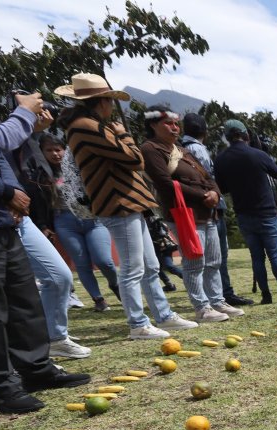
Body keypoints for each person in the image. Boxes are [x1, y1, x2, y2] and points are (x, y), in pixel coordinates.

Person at [59, 73, 199, 339]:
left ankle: (163, 315)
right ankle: (137, 322)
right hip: (117, 202)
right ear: (100, 102)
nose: (112, 107)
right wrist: (123, 134)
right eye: (110, 101)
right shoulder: (85, 126)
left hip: (129, 201)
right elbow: (133, 159)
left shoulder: (91, 125)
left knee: (149, 265)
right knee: (134, 268)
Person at [0, 91, 92, 413]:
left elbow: (0, 160)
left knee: (24, 301)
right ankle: (2, 386)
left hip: (5, 223)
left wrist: (11, 193)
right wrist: (5, 192)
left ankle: (35, 369)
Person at [140, 106, 244, 323]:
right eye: (168, 123)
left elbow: (206, 174)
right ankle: (202, 307)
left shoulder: (181, 149)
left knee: (214, 260)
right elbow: (165, 183)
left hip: (207, 211)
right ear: (153, 124)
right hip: (184, 213)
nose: (174, 127)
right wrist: (203, 194)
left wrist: (214, 192)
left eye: (176, 124)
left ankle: (216, 300)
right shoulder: (151, 149)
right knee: (194, 261)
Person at [24, 133, 119, 315]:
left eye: (58, 149)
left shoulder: (81, 167)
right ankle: (98, 299)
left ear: (65, 150)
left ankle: (115, 284)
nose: (55, 154)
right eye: (49, 150)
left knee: (104, 261)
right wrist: (44, 225)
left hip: (92, 219)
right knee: (81, 263)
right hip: (64, 222)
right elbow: (39, 203)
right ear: (42, 153)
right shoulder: (40, 176)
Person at [212, 119, 277, 303]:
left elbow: (223, 188)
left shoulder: (221, 159)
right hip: (266, 212)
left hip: (243, 214)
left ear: (228, 137)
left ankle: (266, 295)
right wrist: (265, 154)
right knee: (275, 255)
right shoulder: (257, 154)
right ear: (245, 134)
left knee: (257, 257)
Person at [181, 113, 251, 306]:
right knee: (216, 255)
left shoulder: (183, 147)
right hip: (210, 207)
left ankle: (216, 295)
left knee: (205, 256)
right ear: (205, 130)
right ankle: (222, 294)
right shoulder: (198, 149)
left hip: (197, 208)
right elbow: (209, 179)